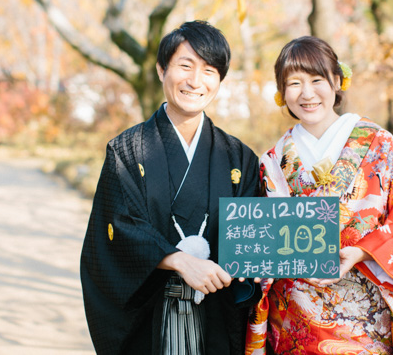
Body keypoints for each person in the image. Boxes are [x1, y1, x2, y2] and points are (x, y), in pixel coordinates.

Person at [245, 36, 393, 354]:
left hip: (367, 316)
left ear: (337, 81)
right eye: (293, 83)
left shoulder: (378, 143)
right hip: (296, 320)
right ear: (282, 93)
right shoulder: (273, 160)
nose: (306, 93)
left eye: (317, 79)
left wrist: (362, 253)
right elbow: (263, 238)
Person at [81, 20, 260, 355]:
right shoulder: (127, 150)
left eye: (209, 71)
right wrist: (177, 260)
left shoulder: (239, 157)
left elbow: (253, 238)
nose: (195, 81)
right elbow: (117, 228)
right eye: (185, 66)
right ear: (162, 69)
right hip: (150, 317)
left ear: (220, 80)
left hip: (216, 316)